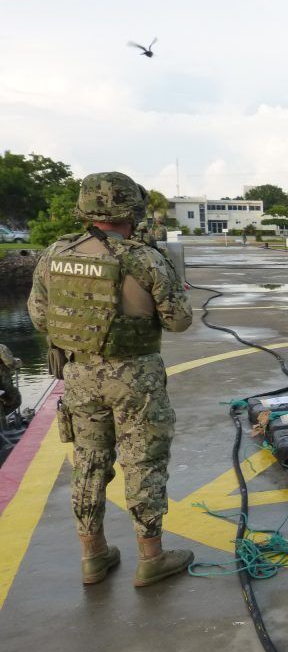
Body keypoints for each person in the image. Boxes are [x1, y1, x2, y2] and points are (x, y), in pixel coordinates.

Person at [27, 171, 194, 587]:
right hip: (135, 378)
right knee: (143, 462)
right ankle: (151, 557)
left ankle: (93, 556)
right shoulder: (145, 258)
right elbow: (178, 321)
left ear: (85, 208)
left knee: (88, 463)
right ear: (131, 210)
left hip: (79, 375)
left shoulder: (55, 254)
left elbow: (40, 317)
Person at [0, 344, 22, 416]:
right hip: (2, 384)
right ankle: (2, 416)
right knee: (16, 399)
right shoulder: (1, 348)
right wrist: (18, 362)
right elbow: (10, 363)